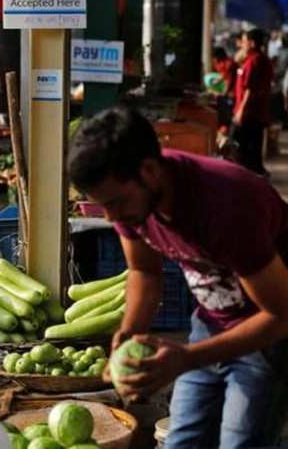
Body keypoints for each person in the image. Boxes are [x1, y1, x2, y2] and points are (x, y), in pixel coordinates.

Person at [67, 108, 288, 449]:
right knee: (182, 441)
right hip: (209, 321)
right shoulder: (130, 198)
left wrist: (186, 357)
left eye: (115, 203)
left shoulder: (227, 205)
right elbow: (144, 271)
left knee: (241, 442)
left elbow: (280, 316)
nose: (111, 217)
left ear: (150, 171)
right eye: (101, 205)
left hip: (267, 335)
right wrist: (130, 331)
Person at [233, 28, 273, 176]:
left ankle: (251, 180)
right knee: (253, 150)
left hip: (250, 113)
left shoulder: (254, 61)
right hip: (257, 112)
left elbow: (249, 89)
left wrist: (240, 111)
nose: (241, 44)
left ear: (252, 43)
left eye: (244, 42)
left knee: (246, 151)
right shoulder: (259, 59)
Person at [212, 47, 236, 126]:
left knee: (227, 119)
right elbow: (223, 76)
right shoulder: (225, 63)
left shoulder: (229, 64)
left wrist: (220, 94)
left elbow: (229, 82)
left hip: (231, 96)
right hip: (228, 94)